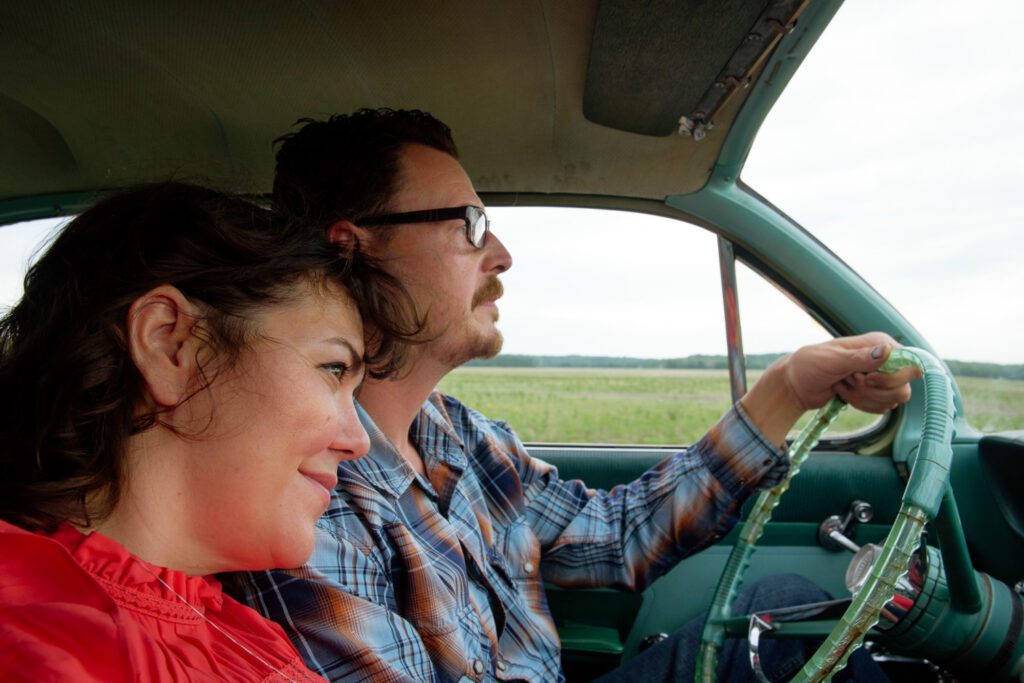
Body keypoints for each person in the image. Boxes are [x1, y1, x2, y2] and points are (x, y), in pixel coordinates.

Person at [236, 109, 918, 682]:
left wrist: (788, 388)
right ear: (356, 250)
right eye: (469, 224)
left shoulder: (464, 438)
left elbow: (618, 537)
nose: (500, 253)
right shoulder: (312, 497)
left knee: (788, 615)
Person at [0, 182, 420, 681]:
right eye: (332, 368)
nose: (358, 442)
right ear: (169, 345)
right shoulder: (44, 648)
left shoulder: (219, 617)